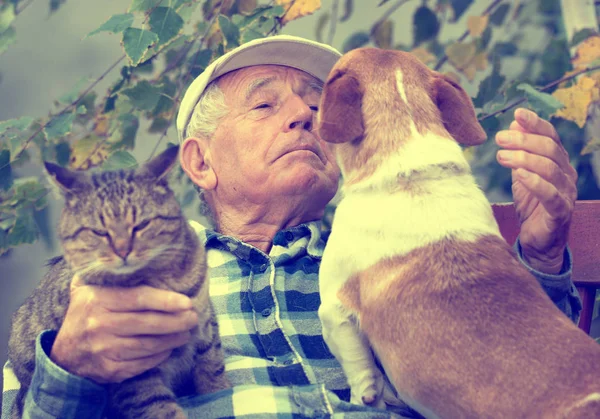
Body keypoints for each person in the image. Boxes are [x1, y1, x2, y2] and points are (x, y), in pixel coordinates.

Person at [2, 35, 581, 418]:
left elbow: (527, 380)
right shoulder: (130, 279)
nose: (305, 115)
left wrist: (544, 254)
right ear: (200, 162)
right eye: (264, 106)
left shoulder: (394, 259)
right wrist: (70, 366)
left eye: (317, 104)